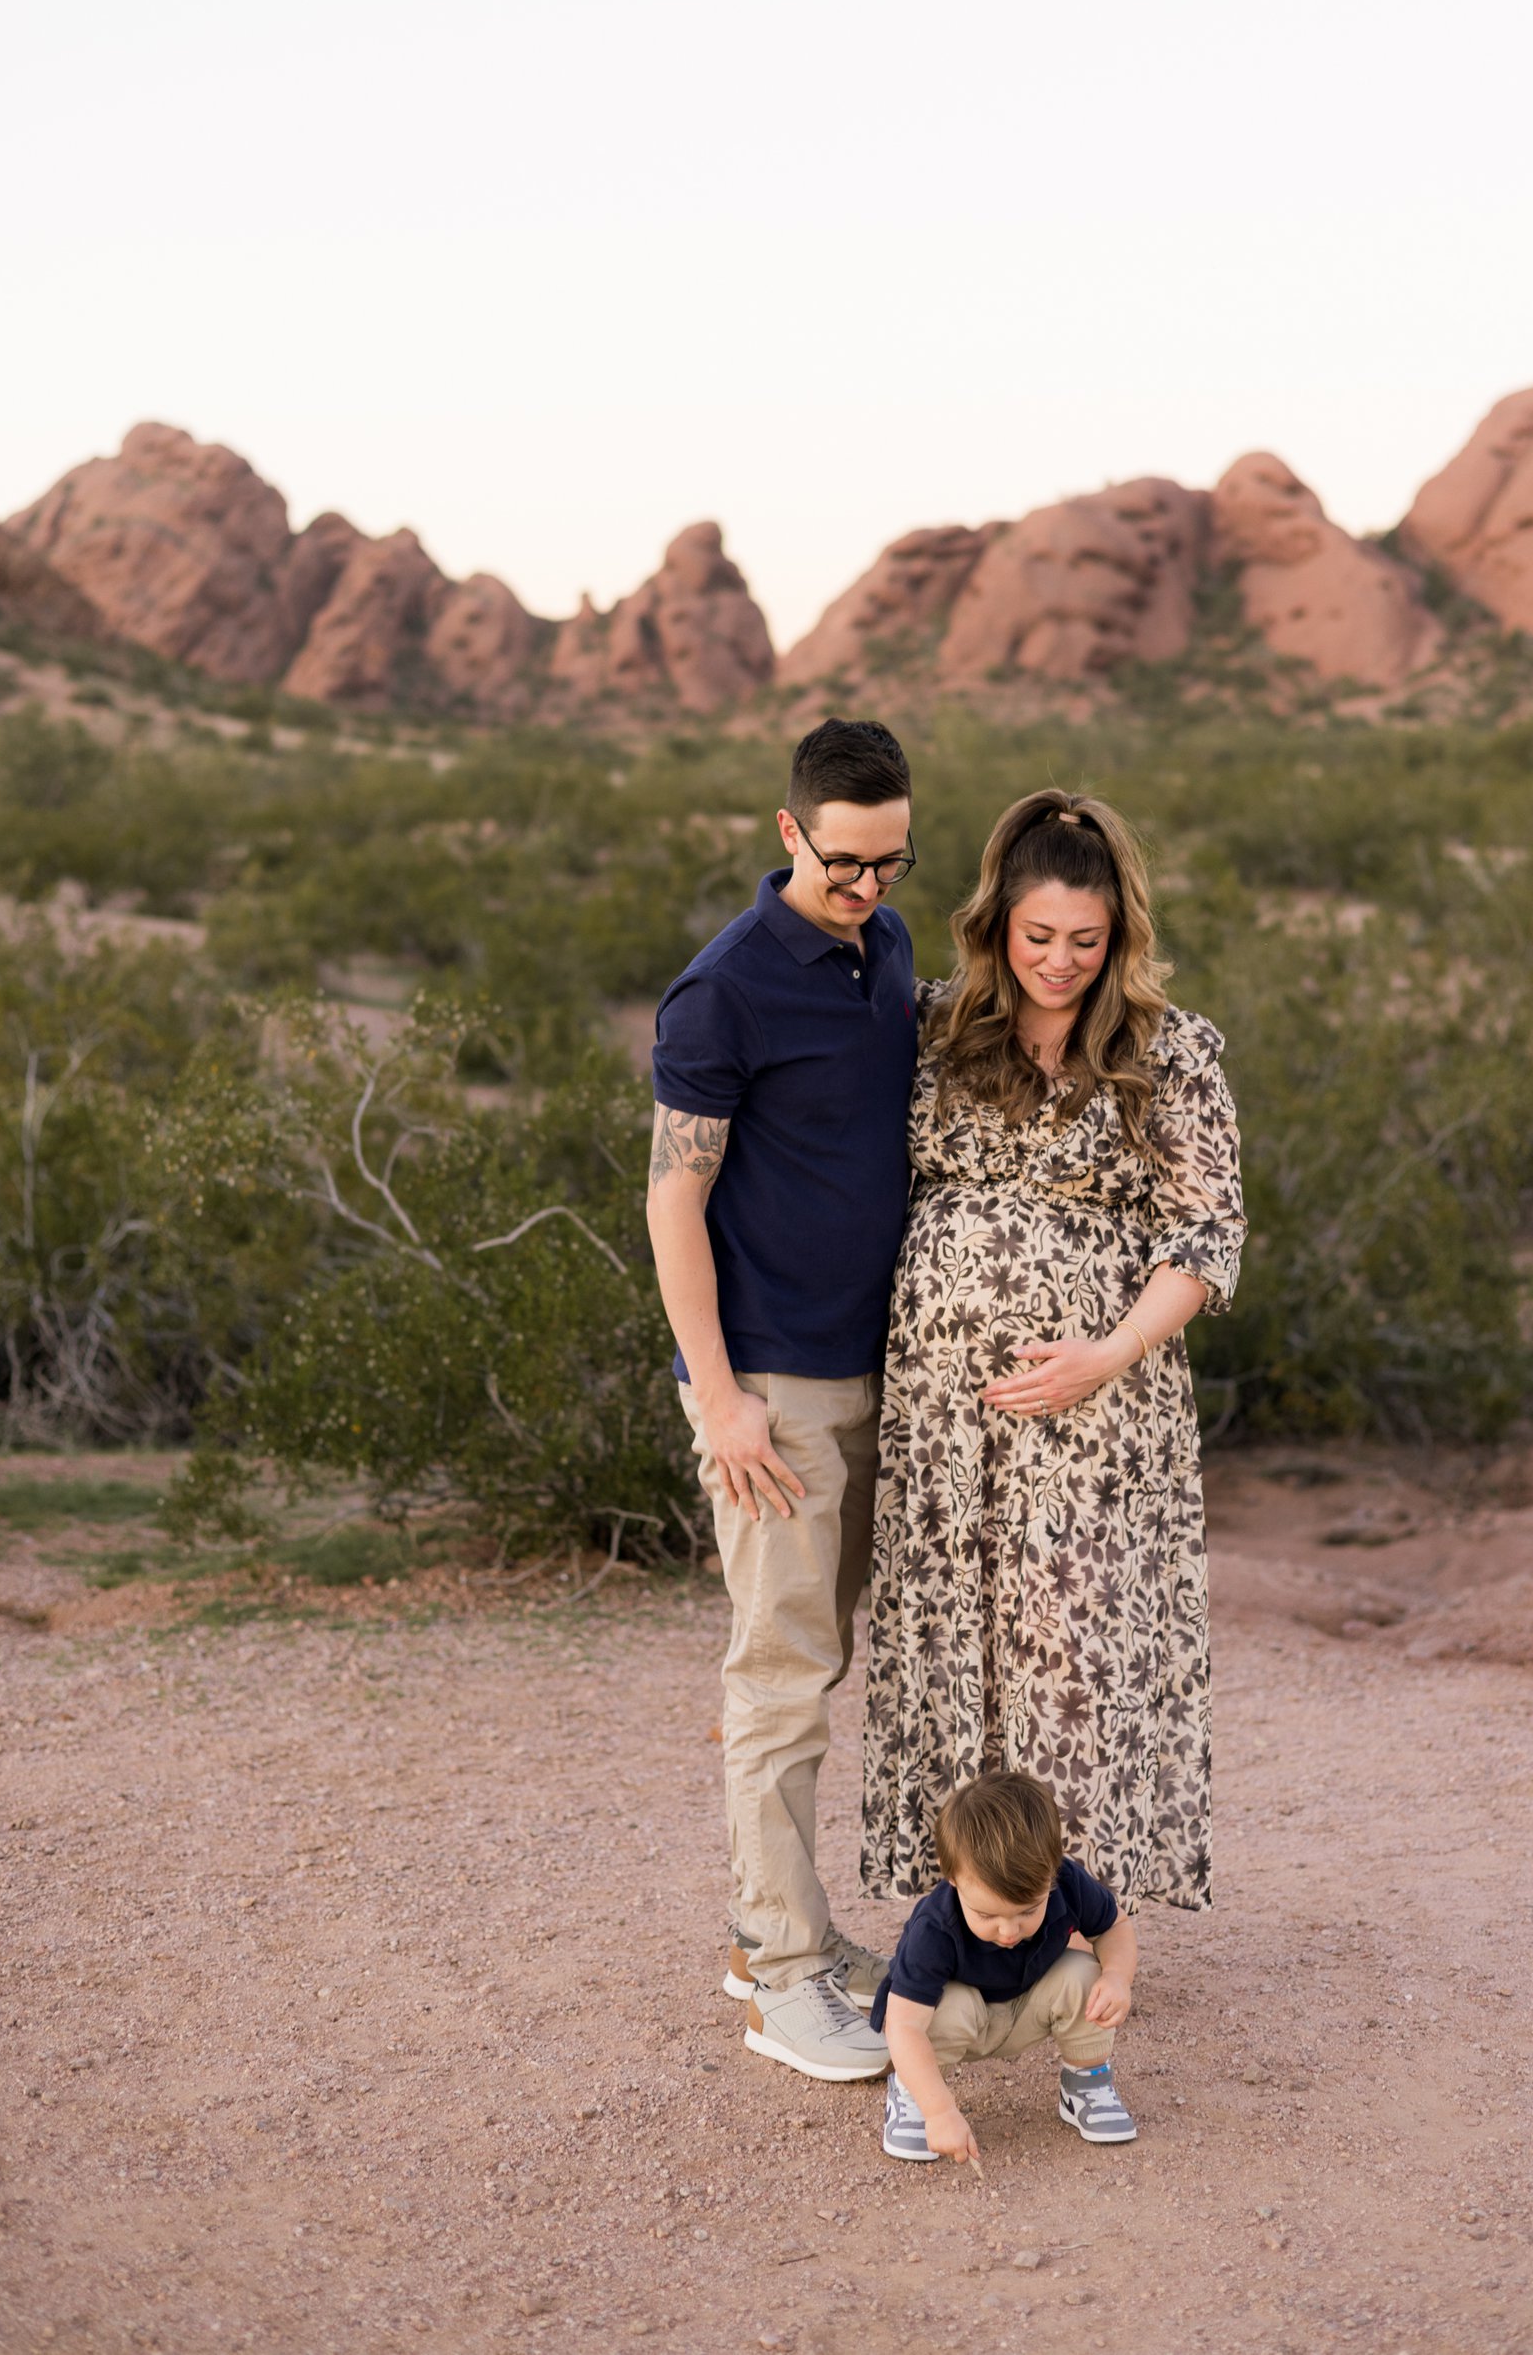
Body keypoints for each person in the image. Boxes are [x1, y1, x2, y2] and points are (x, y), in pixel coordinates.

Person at [861, 788, 1244, 1920]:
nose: (1061, 962)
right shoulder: (934, 1030)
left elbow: (1206, 1234)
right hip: (944, 1415)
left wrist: (1106, 1354)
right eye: (1039, 936)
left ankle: (1077, 1928)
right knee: (955, 1653)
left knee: (1076, 1657)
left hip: (1097, 1417)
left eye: (1087, 939)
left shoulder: (1170, 1052)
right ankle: (963, 1926)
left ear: (1121, 934)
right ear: (997, 924)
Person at [647, 717, 918, 2083]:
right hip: (771, 1387)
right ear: (788, 831)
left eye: (890, 860)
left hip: (876, 1371)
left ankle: (778, 1926)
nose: (865, 885)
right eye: (842, 861)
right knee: (780, 1675)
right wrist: (719, 1397)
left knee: (822, 1657)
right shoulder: (724, 990)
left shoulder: (890, 947)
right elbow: (672, 1199)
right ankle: (781, 1971)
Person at [872, 1769, 1140, 2162]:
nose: (1009, 1931)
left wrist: (1117, 1977)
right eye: (987, 1915)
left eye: (1028, 1910)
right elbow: (904, 2025)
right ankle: (916, 2095)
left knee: (1085, 1973)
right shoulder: (934, 1929)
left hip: (1028, 2005)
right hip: (959, 2023)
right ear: (952, 1876)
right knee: (944, 2006)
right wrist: (940, 2112)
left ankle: (1086, 2083)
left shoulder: (1067, 1882)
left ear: (1053, 1870)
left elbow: (1114, 1927)